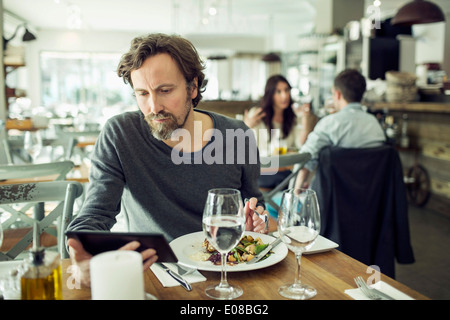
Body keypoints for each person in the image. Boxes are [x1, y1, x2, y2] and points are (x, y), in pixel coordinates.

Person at [66, 33, 268, 285]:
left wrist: (259, 221)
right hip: (154, 273)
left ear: (192, 87)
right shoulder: (120, 134)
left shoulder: (237, 134)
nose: (154, 107)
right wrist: (86, 252)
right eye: (142, 93)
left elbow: (256, 202)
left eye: (165, 90)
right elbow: (95, 214)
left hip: (228, 270)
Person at [294, 69, 386, 189]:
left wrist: (296, 190)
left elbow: (306, 159)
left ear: (337, 94)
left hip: (333, 202)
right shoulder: (375, 126)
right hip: (371, 202)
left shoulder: (329, 123)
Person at [244, 74, 317, 188]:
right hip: (262, 171)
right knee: (299, 180)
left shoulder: (293, 117)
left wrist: (306, 120)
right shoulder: (257, 115)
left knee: (306, 174)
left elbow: (301, 145)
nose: (284, 96)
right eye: (278, 92)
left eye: (286, 90)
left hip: (285, 170)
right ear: (270, 94)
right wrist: (246, 126)